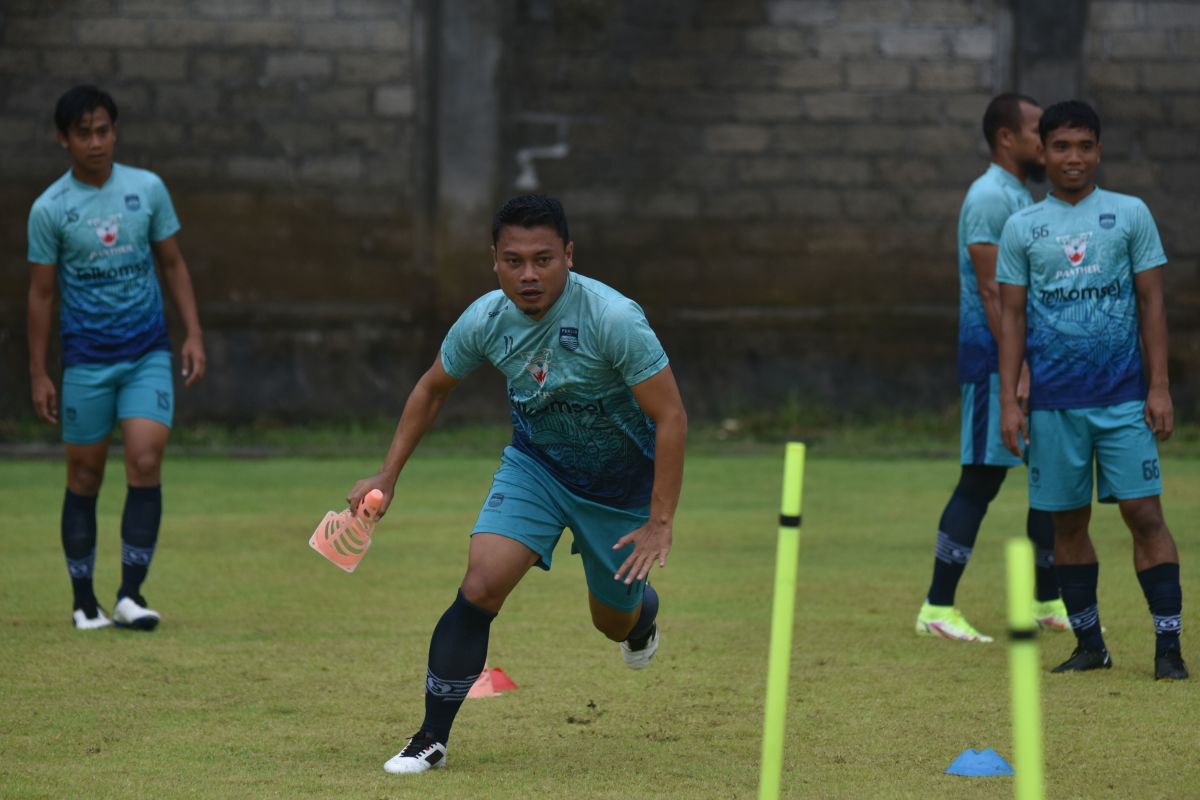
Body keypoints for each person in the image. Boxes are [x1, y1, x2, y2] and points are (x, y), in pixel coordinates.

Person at [346, 195, 687, 774]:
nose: (528, 274)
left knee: (613, 622)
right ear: (495, 261)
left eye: (543, 259)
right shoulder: (484, 319)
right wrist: (388, 474)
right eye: (514, 260)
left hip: (618, 488)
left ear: (569, 256)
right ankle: (430, 738)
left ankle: (641, 617)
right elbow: (432, 389)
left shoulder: (613, 317)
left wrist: (659, 521)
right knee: (480, 584)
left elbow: (671, 417)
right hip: (537, 470)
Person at [997, 100, 1186, 681]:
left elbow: (1153, 302)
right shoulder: (1023, 226)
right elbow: (1011, 317)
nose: (1072, 158)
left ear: (1099, 151)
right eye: (1061, 147)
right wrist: (1010, 400)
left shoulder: (1130, 214)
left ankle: (1168, 649)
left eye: (1084, 146)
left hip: (1124, 399)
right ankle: (1089, 646)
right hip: (1054, 406)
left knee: (1144, 515)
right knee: (1067, 524)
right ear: (1044, 152)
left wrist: (1159, 387)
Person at [27, 86, 206, 631]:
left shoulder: (147, 189)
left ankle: (130, 594)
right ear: (64, 139)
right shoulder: (50, 209)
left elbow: (173, 265)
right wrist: (39, 372)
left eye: (103, 130)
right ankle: (85, 603)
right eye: (83, 133)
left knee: (146, 461)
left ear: (115, 131)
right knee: (84, 475)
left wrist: (193, 333)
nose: (96, 141)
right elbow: (40, 295)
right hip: (85, 360)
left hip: (146, 351)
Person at [915, 94, 1070, 642]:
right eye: (1036, 132)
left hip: (1027, 364)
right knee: (979, 480)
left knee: (1049, 479)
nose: (1044, 142)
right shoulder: (987, 197)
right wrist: (1017, 372)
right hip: (994, 366)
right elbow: (990, 291)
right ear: (1006, 137)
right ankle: (938, 606)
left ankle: (1046, 598)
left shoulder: (1015, 194)